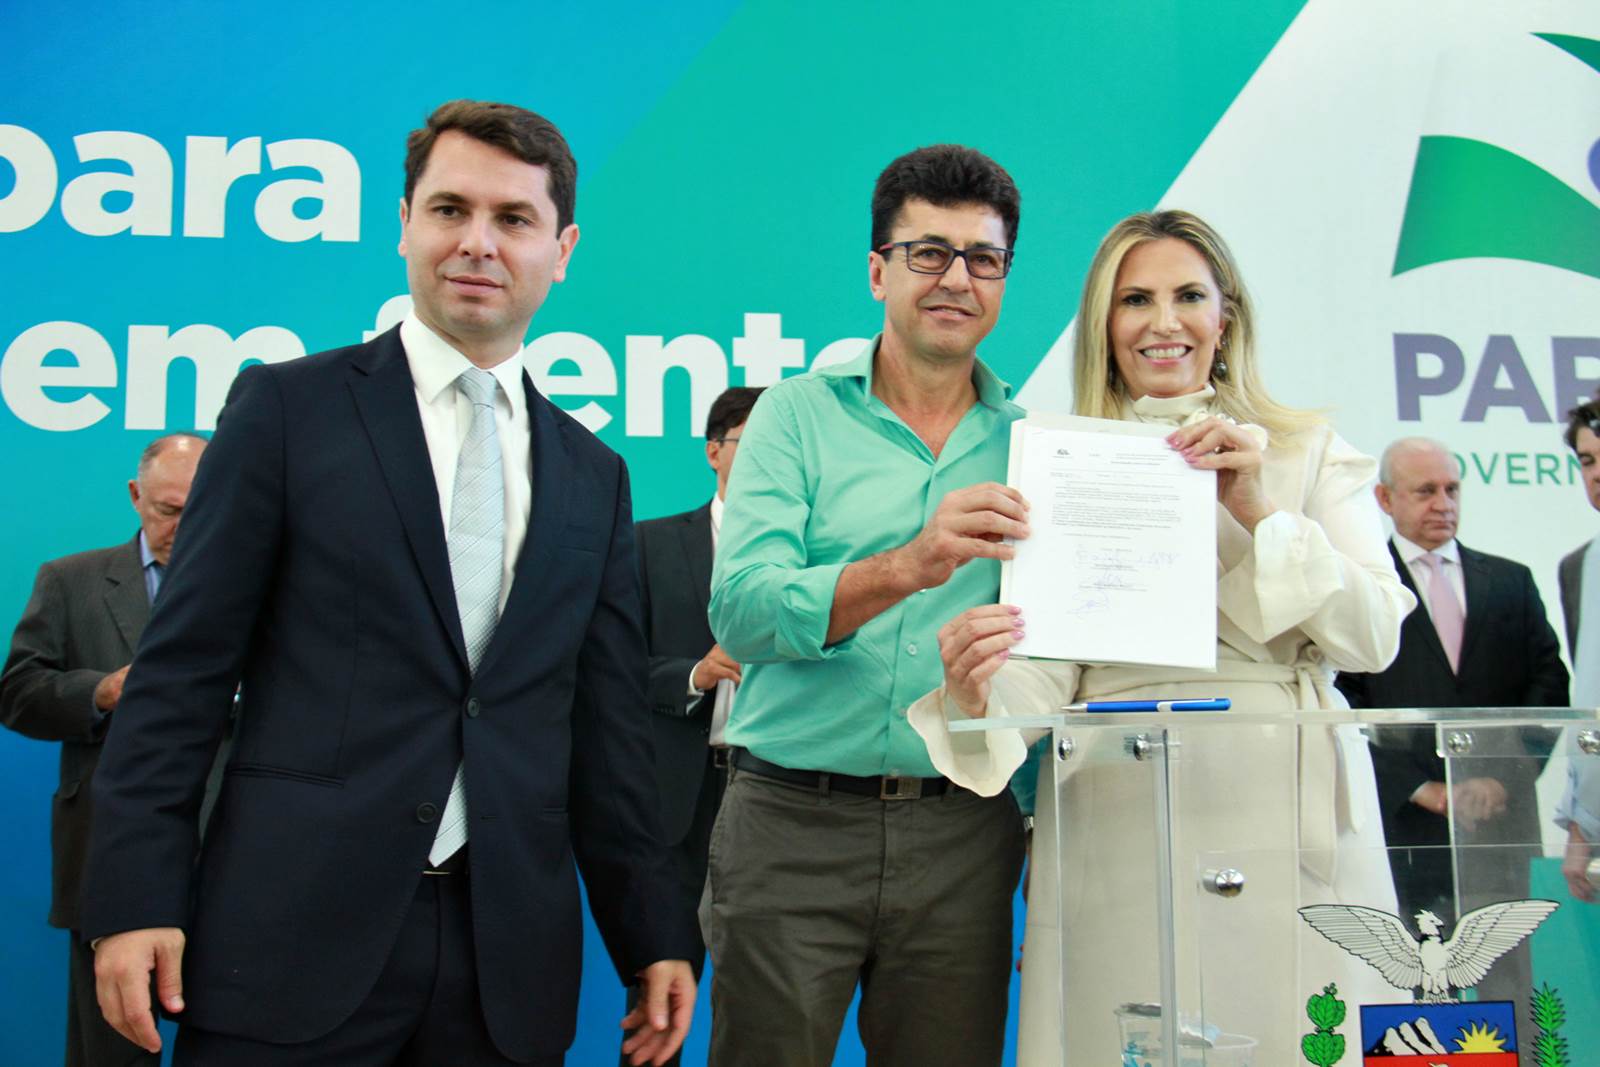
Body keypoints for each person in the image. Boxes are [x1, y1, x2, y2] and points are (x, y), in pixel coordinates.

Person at [80, 100, 697, 1067]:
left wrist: (652, 928)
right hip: (286, 942)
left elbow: (607, 728)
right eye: (450, 209)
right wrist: (134, 897)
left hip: (505, 964)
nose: (478, 242)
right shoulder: (286, 409)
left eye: (514, 218)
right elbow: (181, 674)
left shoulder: (594, 473)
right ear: (405, 223)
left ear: (562, 249)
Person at [909, 209, 1416, 1065]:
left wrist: (1258, 510)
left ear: (1227, 315)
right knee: (1125, 1023)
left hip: (1282, 792)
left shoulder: (1308, 450)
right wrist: (977, 688)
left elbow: (1373, 638)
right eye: (1135, 299)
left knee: (1295, 1028)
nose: (1163, 321)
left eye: (1188, 295)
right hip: (1119, 802)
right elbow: (1052, 665)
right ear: (1104, 324)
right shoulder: (1063, 460)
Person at [705, 144, 1030, 1067]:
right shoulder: (792, 415)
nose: (957, 278)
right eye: (929, 252)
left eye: (983, 258)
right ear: (878, 270)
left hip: (965, 833)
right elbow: (743, 612)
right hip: (791, 824)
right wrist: (910, 565)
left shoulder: (1036, 443)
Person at [1336, 436, 1565, 1059]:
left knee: (1511, 987)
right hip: (1403, 831)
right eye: (1425, 491)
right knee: (1412, 986)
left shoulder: (1510, 581)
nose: (1443, 503)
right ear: (1385, 499)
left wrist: (1502, 778)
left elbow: (1548, 684)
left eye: (1452, 489)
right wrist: (1421, 788)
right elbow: (1345, 701)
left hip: (1497, 829)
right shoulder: (1365, 589)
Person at [1, 433, 205, 1067]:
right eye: (169, 510)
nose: (184, 528)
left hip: (238, 851)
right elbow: (17, 694)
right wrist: (103, 692)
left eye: (200, 510)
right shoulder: (71, 579)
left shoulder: (267, 582)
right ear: (135, 496)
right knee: (109, 1050)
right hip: (107, 848)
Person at [625, 384, 762, 1067]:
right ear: (714, 451)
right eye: (751, 441)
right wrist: (694, 674)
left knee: (770, 1004)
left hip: (779, 795)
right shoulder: (648, 543)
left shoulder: (817, 554)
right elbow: (610, 670)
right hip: (679, 795)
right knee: (660, 1003)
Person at [1557, 395, 1600, 904]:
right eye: (1587, 460)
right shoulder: (1578, 569)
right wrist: (1580, 822)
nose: (1597, 473)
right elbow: (1588, 704)